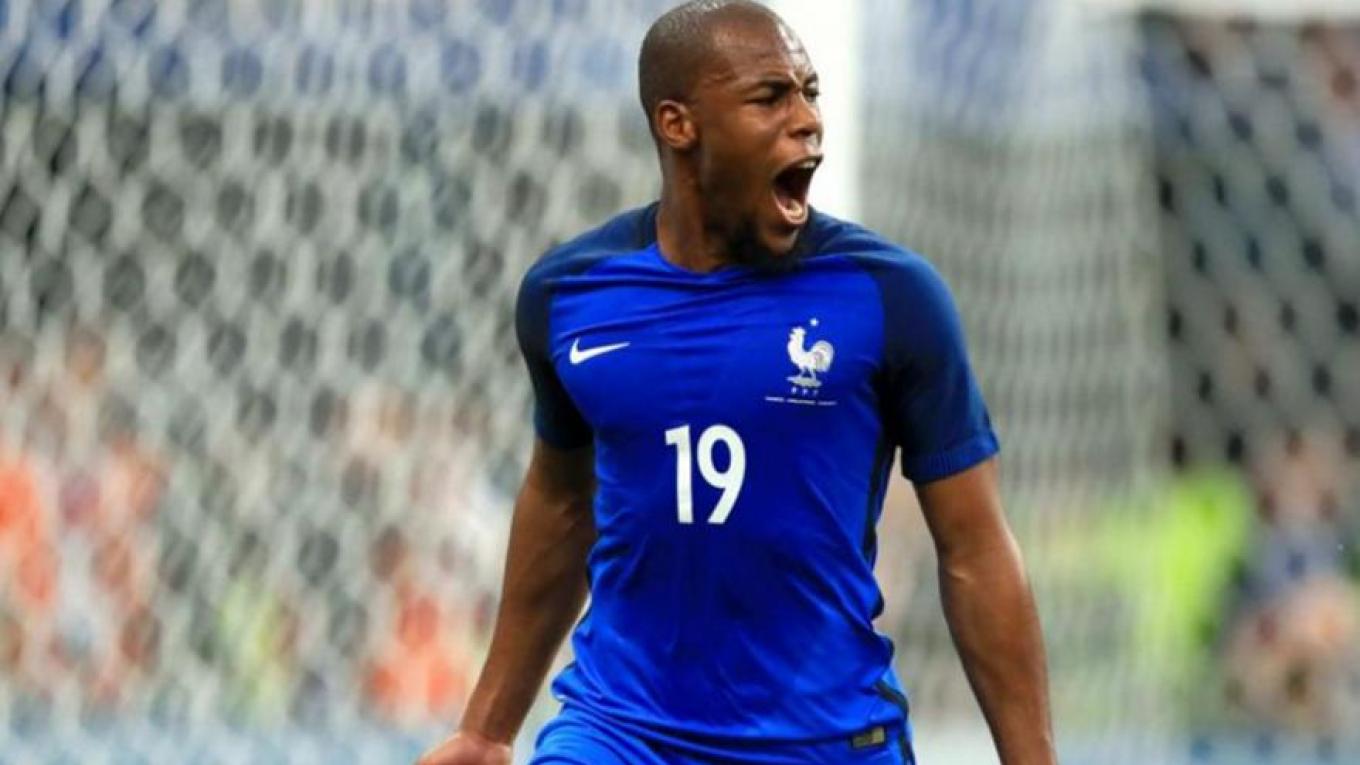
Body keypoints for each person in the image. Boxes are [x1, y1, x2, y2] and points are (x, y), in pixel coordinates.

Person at [419, 1, 1055, 763]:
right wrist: (486, 728)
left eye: (810, 93)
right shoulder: (569, 294)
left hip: (826, 739)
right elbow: (559, 505)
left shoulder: (890, 295)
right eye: (770, 97)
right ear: (677, 123)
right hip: (621, 731)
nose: (808, 120)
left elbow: (975, 549)